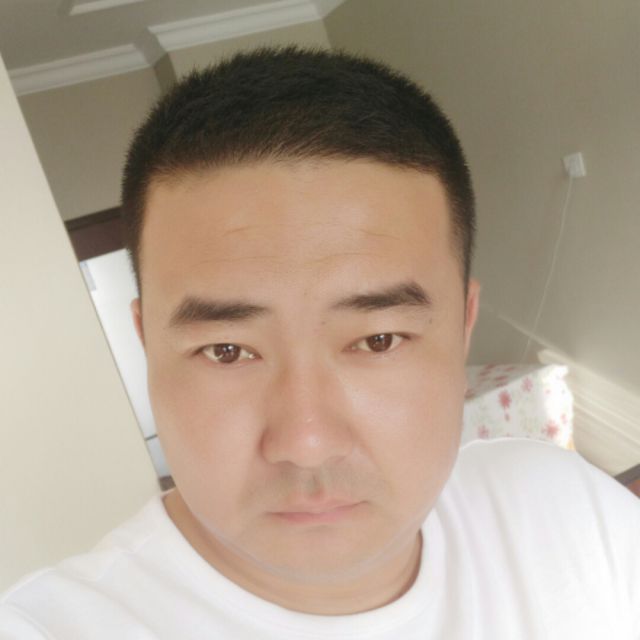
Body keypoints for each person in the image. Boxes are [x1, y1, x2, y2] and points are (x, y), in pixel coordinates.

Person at [1, 45, 638, 639]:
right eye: (227, 350)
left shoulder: (565, 509)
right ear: (148, 344)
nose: (307, 443)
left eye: (379, 339)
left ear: (463, 325)